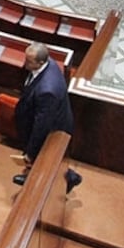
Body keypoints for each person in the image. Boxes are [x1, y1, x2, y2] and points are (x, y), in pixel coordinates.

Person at [13, 42, 82, 193]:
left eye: (29, 61)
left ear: (40, 62)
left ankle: (69, 178)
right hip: (49, 118)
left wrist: (30, 152)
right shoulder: (49, 64)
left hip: (53, 129)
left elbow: (41, 126)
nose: (25, 64)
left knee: (44, 157)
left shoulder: (47, 90)